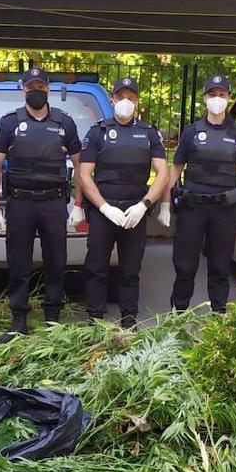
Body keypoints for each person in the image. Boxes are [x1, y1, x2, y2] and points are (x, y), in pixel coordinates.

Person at [0, 67, 84, 342]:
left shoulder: (64, 122)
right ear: (23, 90)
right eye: (31, 87)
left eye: (41, 87)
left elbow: (80, 166)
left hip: (53, 202)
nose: (36, 91)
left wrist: (78, 204)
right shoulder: (9, 122)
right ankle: (19, 320)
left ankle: (53, 320)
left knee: (56, 262)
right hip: (21, 203)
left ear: (48, 89)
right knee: (18, 263)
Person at [78, 76, 169, 328]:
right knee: (96, 268)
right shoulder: (97, 132)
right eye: (120, 97)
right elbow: (84, 175)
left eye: (130, 97)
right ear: (112, 100)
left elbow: (163, 173)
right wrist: (104, 207)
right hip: (103, 211)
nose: (125, 101)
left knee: (131, 270)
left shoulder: (149, 133)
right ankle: (95, 321)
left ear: (137, 100)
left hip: (134, 211)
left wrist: (145, 205)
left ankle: (129, 322)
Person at [169, 74, 236, 313]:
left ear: (228, 97)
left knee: (220, 266)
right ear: (205, 98)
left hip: (225, 209)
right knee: (185, 265)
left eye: (221, 94)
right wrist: (166, 204)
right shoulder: (191, 132)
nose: (217, 99)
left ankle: (218, 316)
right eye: (212, 94)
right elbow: (175, 169)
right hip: (193, 208)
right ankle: (178, 316)